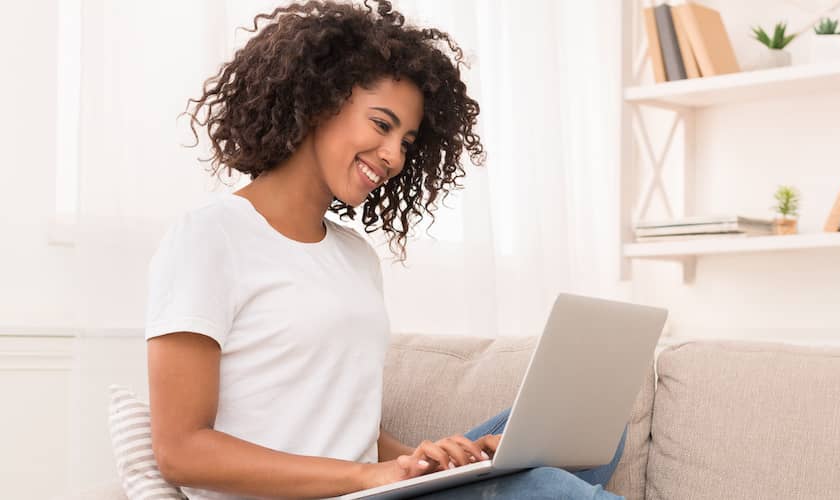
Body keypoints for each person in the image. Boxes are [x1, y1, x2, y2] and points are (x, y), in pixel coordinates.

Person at [146, 1, 624, 498]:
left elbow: (350, 434)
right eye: (381, 125)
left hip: (368, 491)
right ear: (317, 101)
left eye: (407, 141)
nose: (395, 156)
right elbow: (180, 450)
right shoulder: (209, 238)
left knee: (596, 427)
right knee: (547, 486)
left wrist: (425, 460)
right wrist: (367, 477)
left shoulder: (355, 256)